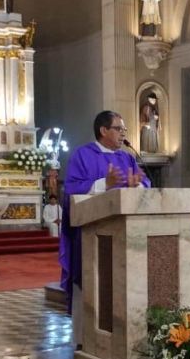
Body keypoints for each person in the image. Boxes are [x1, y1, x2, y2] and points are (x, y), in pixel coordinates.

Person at [60, 110, 150, 345]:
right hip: (90, 237)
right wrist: (103, 184)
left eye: (124, 130)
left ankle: (121, 338)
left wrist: (136, 185)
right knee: (91, 283)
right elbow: (70, 191)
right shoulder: (83, 155)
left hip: (125, 237)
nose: (123, 134)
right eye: (119, 129)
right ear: (103, 130)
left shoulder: (127, 158)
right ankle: (84, 339)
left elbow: (145, 182)